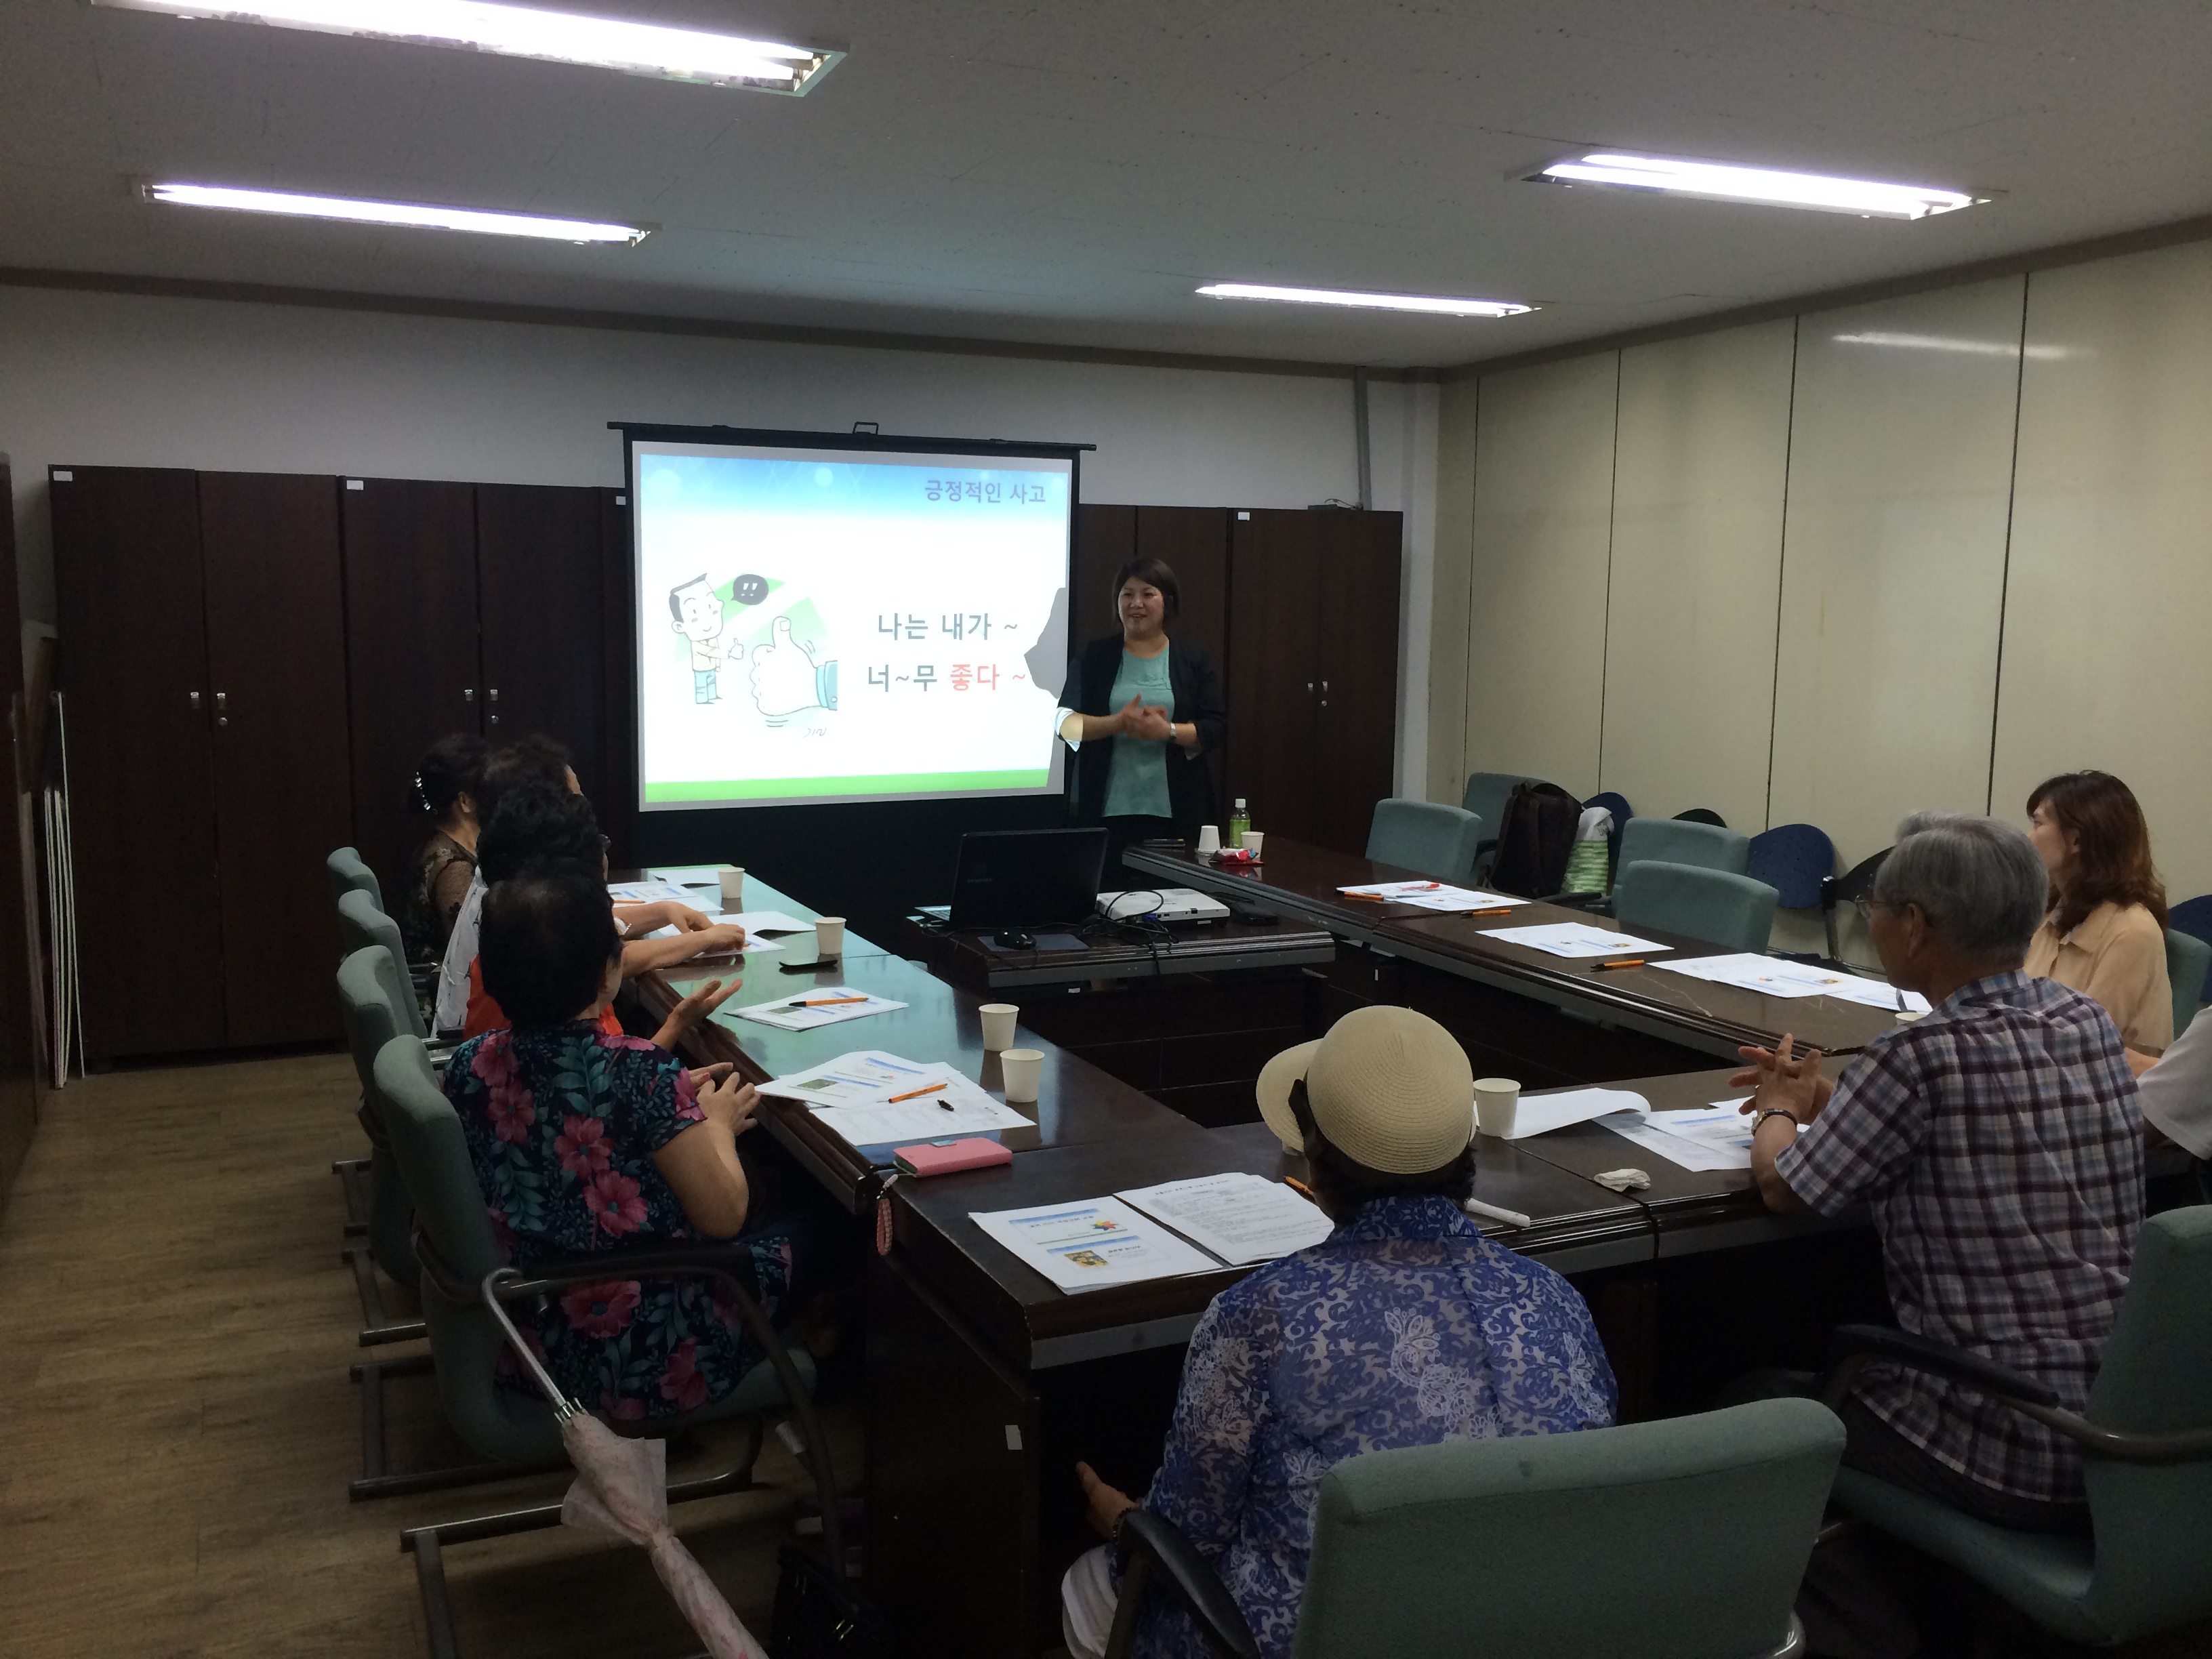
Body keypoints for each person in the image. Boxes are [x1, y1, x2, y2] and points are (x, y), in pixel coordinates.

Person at [1061, 1006, 1616, 1659]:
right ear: (1463, 1159)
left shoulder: (1258, 1315)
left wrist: (1124, 1525)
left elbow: (1189, 1531)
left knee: (1086, 1585)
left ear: (1318, 1177)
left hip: (1318, 1638)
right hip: (1525, 1632)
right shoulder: (1556, 1300)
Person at [1734, 812, 2143, 1536]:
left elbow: (1783, 1187)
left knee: (1752, 1400)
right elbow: (1996, 1110)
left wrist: (1777, 1111)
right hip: (2122, 1429)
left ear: (1916, 927)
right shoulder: (2083, 1021)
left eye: (1875, 911)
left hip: (2000, 1436)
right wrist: (1828, 1098)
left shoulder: (1919, 1055)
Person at [443, 864, 803, 1424]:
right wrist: (714, 1124)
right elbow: (724, 1215)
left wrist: (670, 1084)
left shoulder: (473, 1062)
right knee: (816, 1224)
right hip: (638, 1356)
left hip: (527, 1334)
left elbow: (574, 1109)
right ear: (610, 972)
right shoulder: (639, 1073)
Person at [433, 735, 722, 1035]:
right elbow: (584, 958)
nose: (582, 803)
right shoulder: (513, 894)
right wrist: (700, 942)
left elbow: (579, 929)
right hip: (481, 1047)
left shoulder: (507, 865)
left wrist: (663, 910)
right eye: (574, 794)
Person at [463, 781, 745, 1047]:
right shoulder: (569, 969)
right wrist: (702, 943)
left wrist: (664, 910)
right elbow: (618, 1080)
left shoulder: (509, 926)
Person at [1059, 558, 1227, 867]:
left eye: (1148, 594)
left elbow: (1216, 728)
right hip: (1105, 810)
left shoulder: (1191, 658)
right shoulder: (1094, 656)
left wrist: (1168, 732)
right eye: (1127, 594)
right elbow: (1064, 725)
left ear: (1168, 602)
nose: (1136, 604)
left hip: (1176, 811)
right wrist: (1118, 722)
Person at [2023, 770, 2173, 1053]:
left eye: (2038, 824)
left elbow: (2081, 1046)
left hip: (2099, 1089)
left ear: (2077, 841)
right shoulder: (2055, 910)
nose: (2028, 837)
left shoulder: (2132, 931)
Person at [401, 733, 491, 963]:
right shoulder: (453, 869)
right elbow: (475, 954)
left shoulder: (447, 843)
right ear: (465, 802)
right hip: (445, 992)